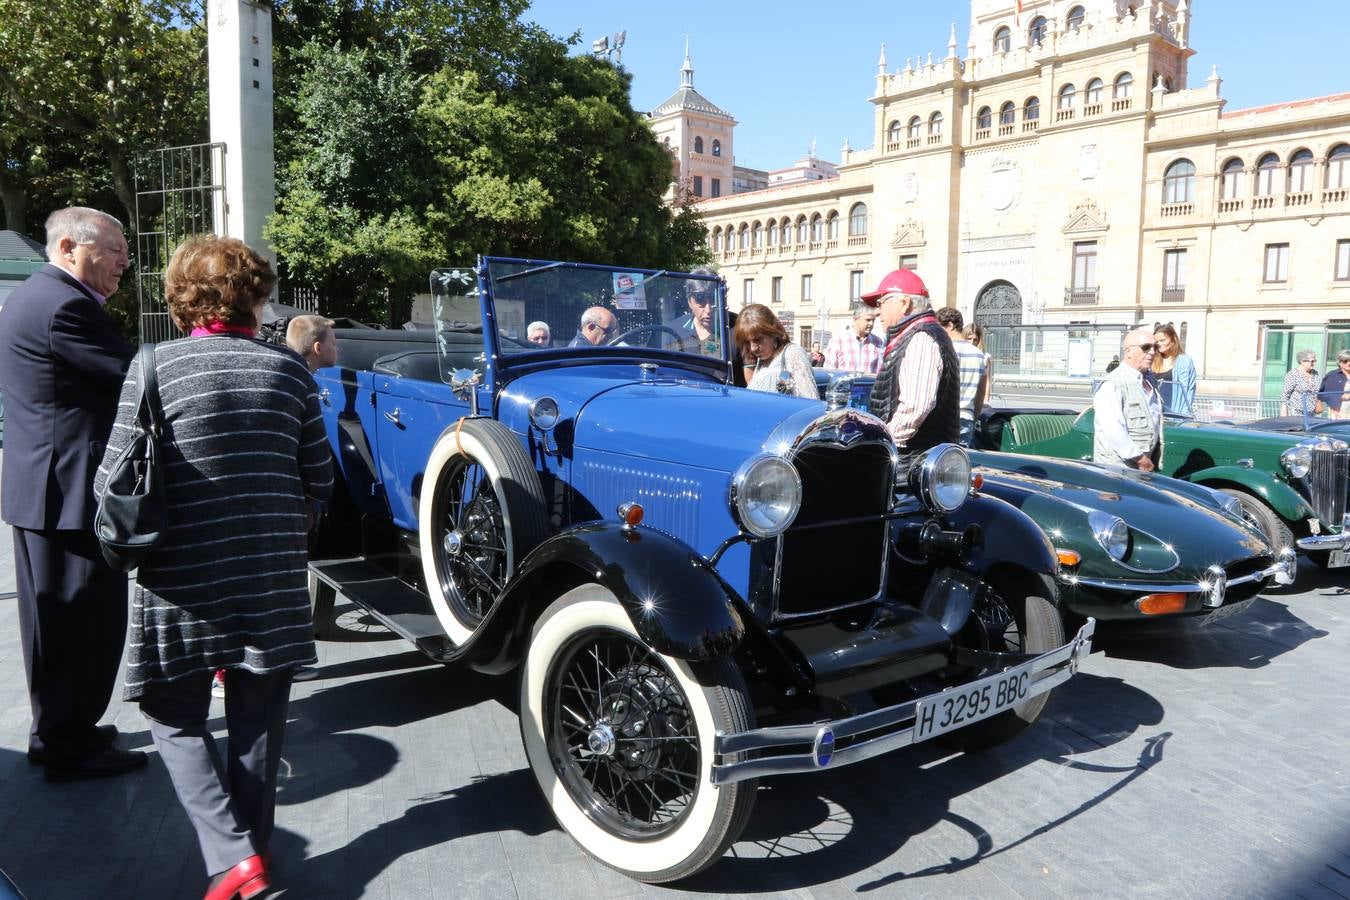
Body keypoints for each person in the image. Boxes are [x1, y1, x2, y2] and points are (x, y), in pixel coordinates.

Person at [95, 235, 333, 900]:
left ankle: (231, 857)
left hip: (179, 577)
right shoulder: (289, 372)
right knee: (258, 723)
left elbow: (113, 477)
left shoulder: (151, 366)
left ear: (180, 299)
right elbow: (321, 476)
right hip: (268, 573)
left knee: (173, 717)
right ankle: (249, 858)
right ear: (254, 297)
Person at [0, 207, 143, 782]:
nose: (124, 264)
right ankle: (71, 744)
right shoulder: (65, 307)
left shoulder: (37, 297)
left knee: (53, 623)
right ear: (68, 247)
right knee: (84, 621)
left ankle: (59, 730)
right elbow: (132, 376)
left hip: (45, 488)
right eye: (115, 252)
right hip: (68, 492)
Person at [862, 269, 960, 467]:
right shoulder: (919, 334)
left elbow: (915, 406)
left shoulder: (922, 338)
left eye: (881, 302)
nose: (877, 311)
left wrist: (882, 444)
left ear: (904, 303)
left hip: (912, 466)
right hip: (914, 461)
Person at [1093, 327, 1163, 471]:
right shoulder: (1113, 384)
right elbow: (1114, 430)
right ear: (1128, 351)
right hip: (1117, 471)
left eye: (1155, 347)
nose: (1152, 352)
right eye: (1146, 347)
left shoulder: (1150, 381)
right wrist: (1141, 460)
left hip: (1143, 466)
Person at [735, 303, 818, 398]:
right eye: (747, 342)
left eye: (758, 340)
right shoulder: (761, 362)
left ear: (773, 332)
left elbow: (810, 401)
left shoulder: (793, 354)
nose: (753, 348)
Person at [936, 307, 987, 447]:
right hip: (966, 418)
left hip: (943, 419)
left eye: (938, 327)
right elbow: (981, 392)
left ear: (950, 326)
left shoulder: (942, 350)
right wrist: (973, 416)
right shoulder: (979, 354)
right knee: (960, 463)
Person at [667, 268, 722, 355]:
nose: (708, 310)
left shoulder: (732, 330)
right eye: (700, 299)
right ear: (689, 302)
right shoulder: (675, 330)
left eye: (713, 299)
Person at [1151, 322, 1197, 416]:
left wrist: (1184, 416)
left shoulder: (1184, 361)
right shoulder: (1152, 360)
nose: (1159, 344)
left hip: (1174, 415)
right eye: (1156, 342)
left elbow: (1188, 391)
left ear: (1173, 339)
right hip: (1154, 414)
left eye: (1162, 340)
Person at [822, 306, 884, 373]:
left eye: (873, 320)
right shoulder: (838, 340)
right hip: (845, 383)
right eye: (868, 320)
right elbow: (829, 371)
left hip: (870, 383)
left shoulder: (878, 342)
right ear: (855, 319)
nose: (871, 324)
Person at [1281, 350, 1321, 417]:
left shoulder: (1315, 373)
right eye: (1312, 361)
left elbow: (1317, 391)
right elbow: (1285, 394)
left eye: (1314, 361)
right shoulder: (1293, 374)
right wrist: (1284, 414)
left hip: (1311, 412)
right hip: (1296, 412)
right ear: (1302, 361)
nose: (1313, 363)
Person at [965, 322, 994, 408]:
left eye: (975, 340)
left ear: (979, 340)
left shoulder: (985, 357)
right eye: (969, 339)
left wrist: (986, 400)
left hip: (977, 397)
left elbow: (987, 381)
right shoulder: (959, 353)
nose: (972, 342)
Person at [1317, 349, 1350, 419]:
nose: (1348, 363)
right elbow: (1326, 395)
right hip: (1340, 412)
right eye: (1345, 361)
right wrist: (1346, 396)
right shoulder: (1333, 375)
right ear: (1340, 363)